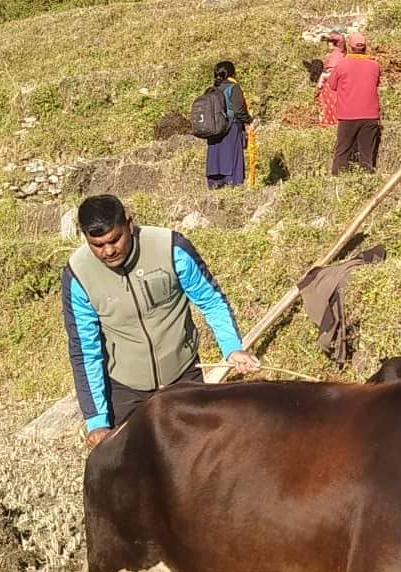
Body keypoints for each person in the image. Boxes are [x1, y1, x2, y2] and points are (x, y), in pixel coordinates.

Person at [62, 193, 258, 451]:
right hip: (125, 389)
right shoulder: (78, 274)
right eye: (97, 245)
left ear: (129, 224)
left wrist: (231, 347)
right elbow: (86, 350)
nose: (108, 251)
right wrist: (97, 421)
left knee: (198, 459)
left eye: (115, 239)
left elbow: (210, 301)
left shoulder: (170, 248)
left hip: (183, 376)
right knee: (135, 472)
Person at [324, 30, 383, 175]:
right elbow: (376, 83)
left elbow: (332, 85)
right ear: (365, 47)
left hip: (348, 116)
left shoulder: (343, 65)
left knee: (342, 153)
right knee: (367, 155)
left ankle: (337, 184)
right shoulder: (375, 65)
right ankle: (366, 185)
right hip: (370, 116)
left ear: (350, 47)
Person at [205, 60, 251, 189]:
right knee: (232, 154)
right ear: (232, 73)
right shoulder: (233, 87)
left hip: (213, 128)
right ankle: (233, 181)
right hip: (231, 126)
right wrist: (250, 121)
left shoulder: (211, 89)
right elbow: (238, 110)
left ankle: (214, 182)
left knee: (215, 153)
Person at [315, 32, 345, 127]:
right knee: (326, 101)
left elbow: (340, 38)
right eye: (328, 42)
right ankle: (328, 121)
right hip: (327, 81)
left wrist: (327, 35)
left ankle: (337, 121)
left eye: (331, 42)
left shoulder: (340, 51)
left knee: (336, 101)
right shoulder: (328, 55)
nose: (329, 44)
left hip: (336, 79)